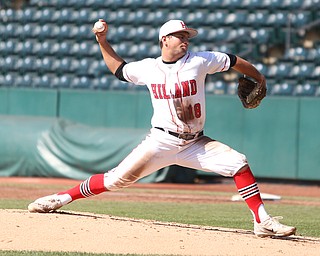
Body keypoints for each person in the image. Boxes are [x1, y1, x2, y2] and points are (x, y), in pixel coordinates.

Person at [28, 19, 296, 238]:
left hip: (195, 144)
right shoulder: (148, 68)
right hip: (160, 142)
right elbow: (118, 69)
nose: (185, 39)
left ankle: (262, 221)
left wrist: (258, 76)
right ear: (164, 40)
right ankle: (61, 198)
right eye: (180, 35)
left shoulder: (201, 60)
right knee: (113, 181)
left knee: (238, 162)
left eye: (187, 35)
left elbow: (235, 60)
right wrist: (102, 41)